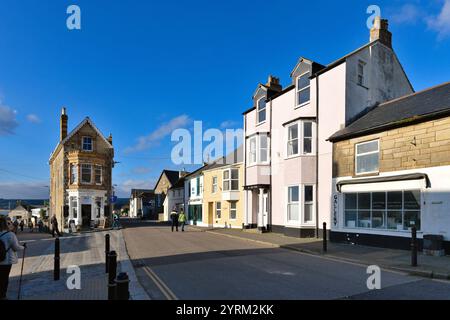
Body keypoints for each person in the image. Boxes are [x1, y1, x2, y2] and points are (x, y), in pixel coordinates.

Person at [0, 216, 26, 300]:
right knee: (4, 278)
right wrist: (23, 247)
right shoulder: (10, 235)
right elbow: (16, 248)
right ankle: (2, 296)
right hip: (5, 260)